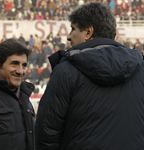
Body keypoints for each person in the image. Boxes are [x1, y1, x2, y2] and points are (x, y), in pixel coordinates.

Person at [35, 2, 144, 150]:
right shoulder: (140, 68)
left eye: (73, 29)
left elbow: (46, 133)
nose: (68, 36)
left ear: (88, 32)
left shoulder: (66, 70)